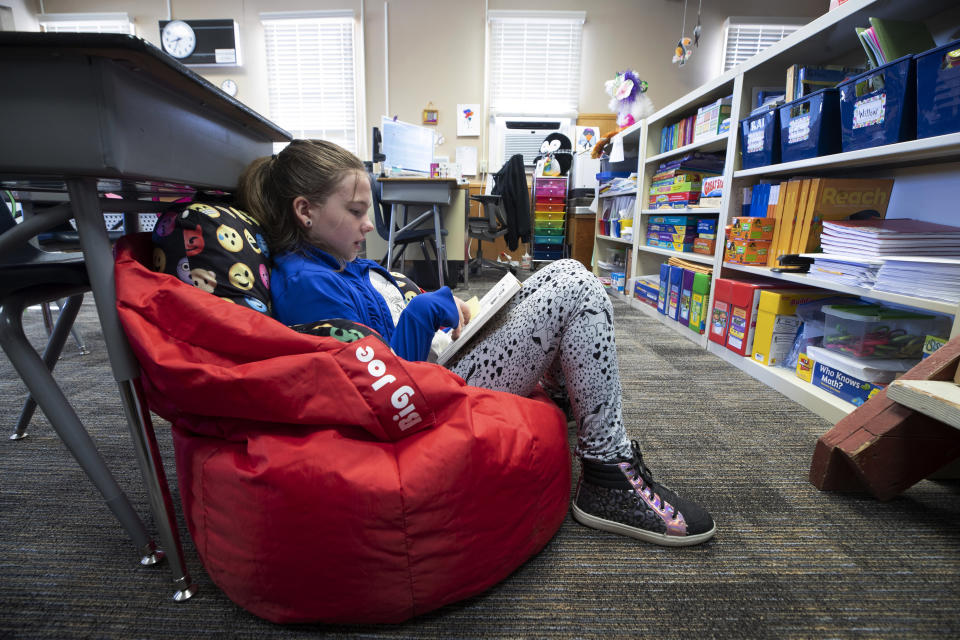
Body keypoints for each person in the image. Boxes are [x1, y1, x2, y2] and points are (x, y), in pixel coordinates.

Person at [237, 139, 716, 547]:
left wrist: (444, 317)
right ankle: (607, 471)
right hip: (424, 402)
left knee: (551, 281)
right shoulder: (306, 285)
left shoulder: (337, 266)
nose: (369, 225)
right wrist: (426, 313)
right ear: (305, 211)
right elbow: (379, 390)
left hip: (435, 366)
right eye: (356, 212)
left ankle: (570, 398)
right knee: (573, 282)